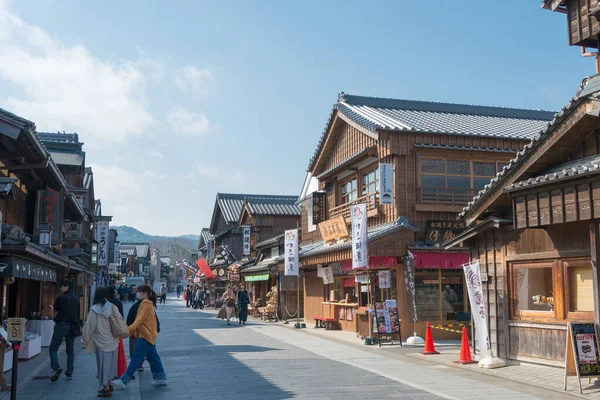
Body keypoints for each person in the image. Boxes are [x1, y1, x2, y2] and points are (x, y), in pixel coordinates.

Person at [111, 285, 168, 389]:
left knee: (136, 358)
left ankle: (123, 381)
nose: (137, 293)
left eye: (139, 291)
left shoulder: (145, 304)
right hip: (149, 334)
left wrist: (127, 330)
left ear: (145, 293)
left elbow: (139, 320)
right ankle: (160, 377)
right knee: (153, 357)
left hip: (145, 335)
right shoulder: (148, 304)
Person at [82, 287, 120, 397]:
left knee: (103, 365)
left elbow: (89, 326)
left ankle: (106, 388)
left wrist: (85, 339)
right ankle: (109, 383)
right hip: (113, 340)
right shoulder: (112, 307)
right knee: (111, 364)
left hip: (101, 341)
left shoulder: (94, 310)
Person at [49, 279, 80, 382]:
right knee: (70, 350)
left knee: (53, 348)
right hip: (72, 326)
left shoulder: (61, 298)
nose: (60, 288)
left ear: (67, 286)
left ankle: (56, 368)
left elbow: (56, 310)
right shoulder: (76, 299)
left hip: (61, 325)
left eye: (61, 286)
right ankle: (69, 372)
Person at [107, 286, 127, 378]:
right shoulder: (117, 302)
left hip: (105, 330)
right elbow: (121, 317)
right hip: (116, 330)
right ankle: (117, 370)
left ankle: (107, 371)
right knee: (116, 351)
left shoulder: (104, 303)